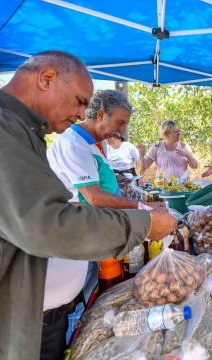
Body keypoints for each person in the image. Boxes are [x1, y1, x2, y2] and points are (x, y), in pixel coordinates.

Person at [0, 50, 177, 360]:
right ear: (47, 78)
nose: (83, 114)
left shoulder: (11, 128)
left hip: (19, 315)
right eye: (80, 101)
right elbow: (47, 225)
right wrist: (144, 223)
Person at [44, 89, 163, 360]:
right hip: (73, 240)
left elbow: (101, 184)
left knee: (86, 294)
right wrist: (144, 208)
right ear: (100, 115)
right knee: (77, 308)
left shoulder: (94, 143)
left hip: (88, 235)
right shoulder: (72, 143)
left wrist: (124, 188)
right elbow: (94, 197)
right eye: (119, 122)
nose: (122, 129)